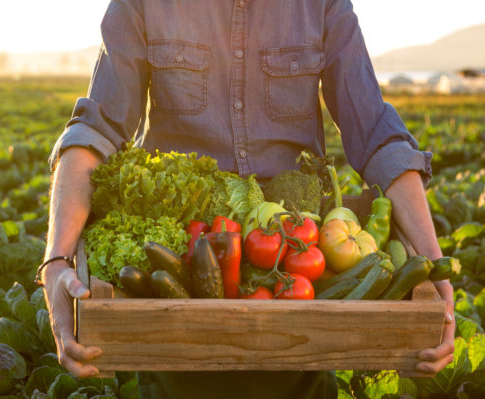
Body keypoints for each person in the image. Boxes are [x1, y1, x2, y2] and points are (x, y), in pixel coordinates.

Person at [39, 0, 455, 397]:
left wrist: (433, 267)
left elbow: (377, 134)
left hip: (295, 262)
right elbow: (95, 130)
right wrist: (56, 261)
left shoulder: (322, 6)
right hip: (180, 265)